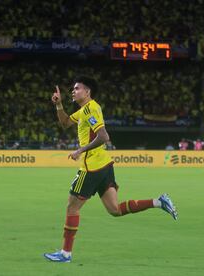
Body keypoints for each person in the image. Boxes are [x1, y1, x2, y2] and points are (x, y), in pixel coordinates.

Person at [43, 76, 178, 263]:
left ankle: (65, 254)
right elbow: (65, 122)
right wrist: (58, 105)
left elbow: (103, 136)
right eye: (73, 89)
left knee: (72, 207)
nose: (73, 91)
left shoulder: (90, 108)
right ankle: (159, 202)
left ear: (87, 92)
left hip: (91, 167)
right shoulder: (84, 111)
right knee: (115, 210)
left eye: (77, 88)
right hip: (105, 165)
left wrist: (80, 150)